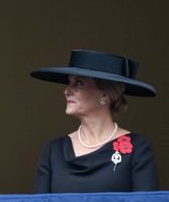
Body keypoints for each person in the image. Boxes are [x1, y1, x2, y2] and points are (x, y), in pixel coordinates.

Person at [30, 49, 158, 193]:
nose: (67, 90)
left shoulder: (137, 148)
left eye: (78, 83)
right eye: (69, 82)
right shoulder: (53, 150)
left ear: (105, 94)